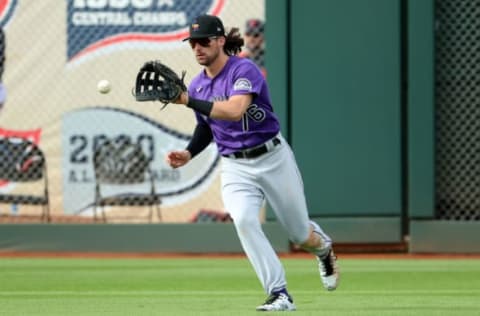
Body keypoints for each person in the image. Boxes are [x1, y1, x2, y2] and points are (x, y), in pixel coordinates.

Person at [166, 14, 339, 311]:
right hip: (235, 166)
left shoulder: (243, 69)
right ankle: (279, 293)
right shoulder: (196, 86)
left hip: (272, 158)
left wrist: (187, 101)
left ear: (220, 41)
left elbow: (234, 110)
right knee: (244, 220)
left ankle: (323, 250)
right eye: (192, 43)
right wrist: (189, 152)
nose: (197, 48)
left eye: (203, 41)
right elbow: (207, 126)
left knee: (300, 235)